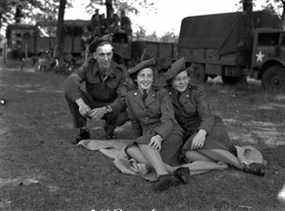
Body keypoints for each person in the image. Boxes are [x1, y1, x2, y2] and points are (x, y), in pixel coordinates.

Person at [163, 57, 265, 176]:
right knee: (188, 155)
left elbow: (207, 115)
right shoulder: (167, 96)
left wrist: (202, 132)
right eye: (177, 80)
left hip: (209, 127)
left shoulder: (197, 92)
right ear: (171, 82)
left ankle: (243, 166)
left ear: (188, 78)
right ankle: (220, 164)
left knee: (201, 144)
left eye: (185, 78)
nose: (182, 82)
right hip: (190, 134)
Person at [124, 58, 189, 192]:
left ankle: (161, 174)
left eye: (149, 76)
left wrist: (159, 136)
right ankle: (174, 172)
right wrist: (138, 141)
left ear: (153, 78)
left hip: (169, 131)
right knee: (130, 149)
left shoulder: (162, 93)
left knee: (146, 146)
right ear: (136, 79)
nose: (146, 79)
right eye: (142, 76)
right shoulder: (130, 96)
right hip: (148, 135)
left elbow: (169, 118)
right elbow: (135, 122)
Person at [64, 38, 129, 144]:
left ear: (112, 54)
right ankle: (83, 131)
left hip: (111, 107)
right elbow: (71, 81)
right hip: (92, 104)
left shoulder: (121, 71)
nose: (106, 59)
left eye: (109, 54)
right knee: (70, 94)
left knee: (128, 109)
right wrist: (81, 104)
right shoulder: (88, 67)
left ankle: (110, 128)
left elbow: (123, 98)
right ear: (95, 56)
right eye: (102, 55)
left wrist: (106, 109)